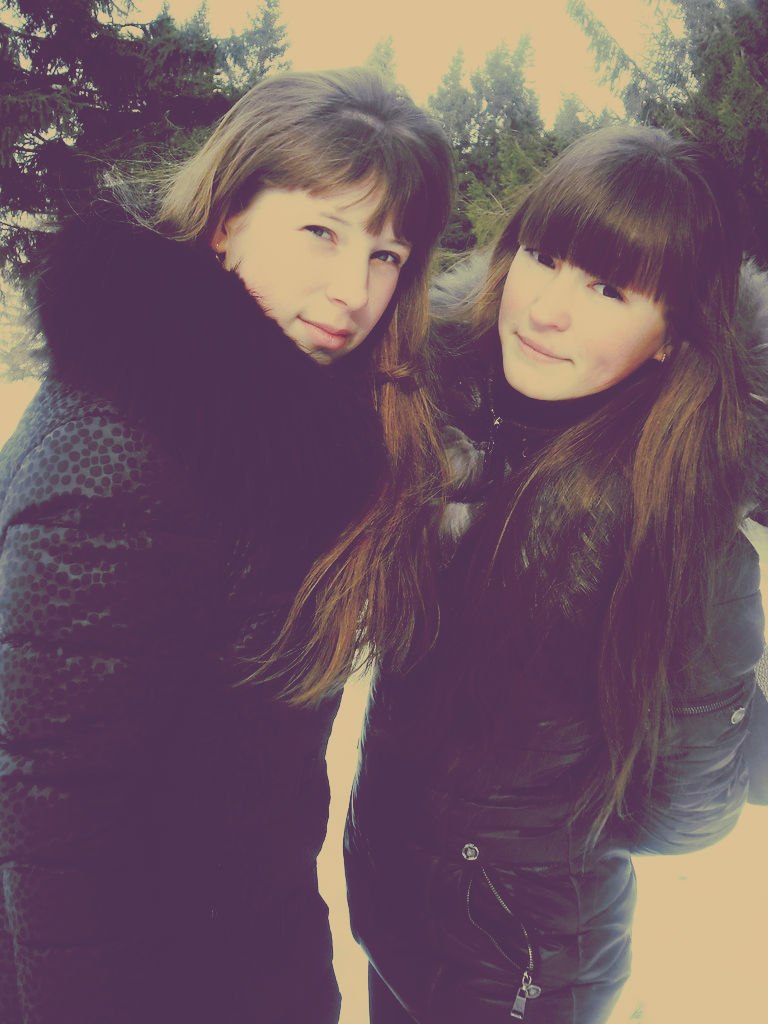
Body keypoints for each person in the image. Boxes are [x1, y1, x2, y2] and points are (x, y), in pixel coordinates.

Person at [0, 69, 453, 1024]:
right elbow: (47, 812)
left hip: (250, 946)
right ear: (225, 221)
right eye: (321, 232)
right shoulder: (126, 445)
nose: (354, 290)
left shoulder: (288, 421)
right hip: (145, 980)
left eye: (386, 254)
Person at [345, 125, 767, 1024]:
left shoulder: (674, 528)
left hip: (518, 958)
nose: (545, 311)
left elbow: (686, 808)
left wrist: (534, 833)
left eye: (609, 289)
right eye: (543, 257)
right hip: (385, 905)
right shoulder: (432, 414)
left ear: (673, 334)